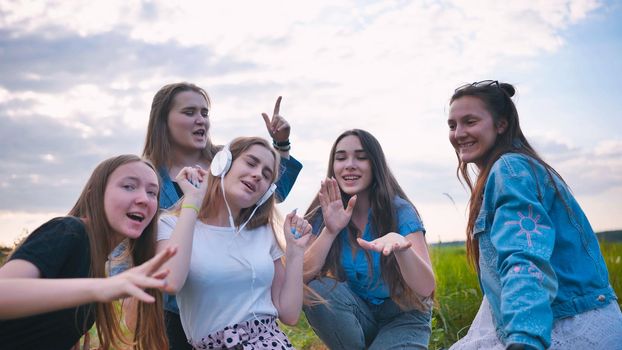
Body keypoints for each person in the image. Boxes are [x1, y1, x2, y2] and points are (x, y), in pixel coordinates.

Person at [117, 82, 303, 349]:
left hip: (239, 302)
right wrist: (130, 299)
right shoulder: (149, 178)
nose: (200, 120)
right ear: (163, 119)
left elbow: (267, 192)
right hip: (174, 308)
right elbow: (130, 235)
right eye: (190, 112)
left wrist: (281, 146)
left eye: (204, 113)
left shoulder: (224, 161)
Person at [446, 80, 622, 350]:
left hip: (566, 325)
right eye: (452, 124)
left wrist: (524, 339)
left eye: (470, 121)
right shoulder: (513, 168)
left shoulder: (510, 169)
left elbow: (524, 258)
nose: (458, 133)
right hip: (558, 317)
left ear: (501, 124)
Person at [0, 155, 171, 350]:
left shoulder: (96, 259)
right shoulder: (69, 230)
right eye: (129, 186)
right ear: (94, 195)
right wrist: (101, 288)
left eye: (152, 192)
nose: (144, 199)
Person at [157, 136, 310, 349]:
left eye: (267, 175)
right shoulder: (172, 225)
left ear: (267, 192)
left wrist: (295, 252)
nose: (258, 174)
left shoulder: (263, 232)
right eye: (250, 162)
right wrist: (192, 200)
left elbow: (289, 314)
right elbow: (171, 282)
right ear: (223, 163)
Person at [302, 129, 435, 350]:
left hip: (403, 316)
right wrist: (330, 230)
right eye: (341, 157)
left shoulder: (399, 211)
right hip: (357, 315)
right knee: (319, 288)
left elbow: (425, 287)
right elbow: (300, 279)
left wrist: (402, 249)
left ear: (375, 164)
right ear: (333, 167)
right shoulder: (324, 212)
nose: (350, 164)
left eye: (361, 157)